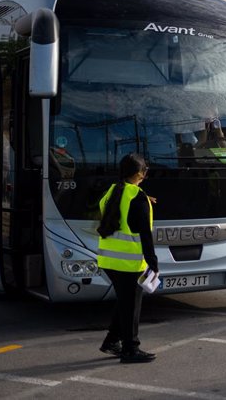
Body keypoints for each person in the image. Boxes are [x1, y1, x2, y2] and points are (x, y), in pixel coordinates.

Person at [97, 153, 159, 363]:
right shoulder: (137, 197)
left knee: (125, 302)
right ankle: (130, 349)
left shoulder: (113, 191)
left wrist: (144, 200)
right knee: (132, 306)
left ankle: (111, 341)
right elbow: (145, 234)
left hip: (108, 260)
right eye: (145, 171)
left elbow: (117, 210)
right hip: (128, 263)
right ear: (140, 173)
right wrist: (153, 263)